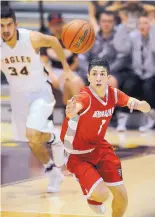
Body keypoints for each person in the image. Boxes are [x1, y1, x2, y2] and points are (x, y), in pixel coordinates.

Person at [60, 59, 151, 217]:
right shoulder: (84, 97)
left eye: (102, 74)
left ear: (109, 78)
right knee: (102, 195)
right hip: (77, 154)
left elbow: (130, 101)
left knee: (122, 197)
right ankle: (92, 195)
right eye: (94, 74)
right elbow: (77, 105)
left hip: (100, 148)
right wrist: (73, 109)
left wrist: (142, 105)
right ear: (88, 77)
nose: (98, 77)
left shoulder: (113, 94)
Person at [1, 6, 70, 193]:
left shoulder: (31, 38)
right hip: (18, 97)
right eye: (1, 26)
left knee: (32, 136)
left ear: (16, 24)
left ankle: (53, 149)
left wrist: (65, 67)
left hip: (40, 92)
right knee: (33, 141)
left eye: (9, 25)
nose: (5, 30)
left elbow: (55, 41)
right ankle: (53, 162)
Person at [113, 12, 155, 132]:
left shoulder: (153, 35)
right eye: (140, 23)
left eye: (146, 23)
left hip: (151, 73)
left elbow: (153, 48)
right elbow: (121, 48)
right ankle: (122, 120)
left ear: (150, 24)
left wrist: (152, 31)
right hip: (136, 72)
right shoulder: (133, 36)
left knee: (149, 88)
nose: (142, 26)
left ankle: (150, 120)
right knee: (129, 85)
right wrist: (123, 26)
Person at [40, 12, 84, 105]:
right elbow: (44, 62)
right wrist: (51, 76)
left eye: (59, 24)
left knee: (76, 83)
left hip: (70, 70)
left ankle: (74, 112)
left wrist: (64, 74)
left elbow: (76, 62)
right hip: (53, 70)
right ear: (49, 25)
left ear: (63, 23)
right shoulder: (46, 40)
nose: (57, 27)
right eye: (54, 25)